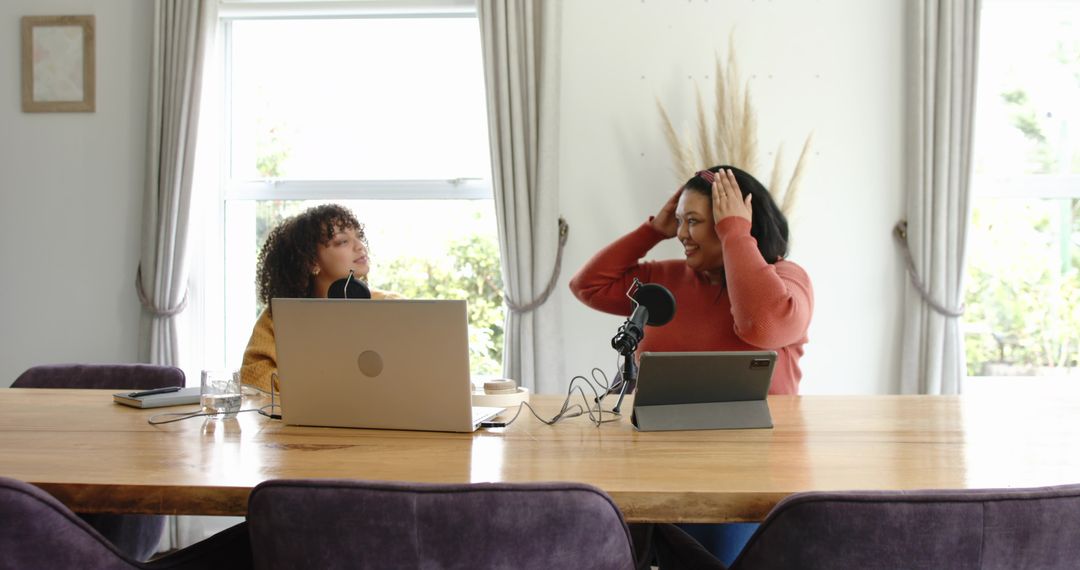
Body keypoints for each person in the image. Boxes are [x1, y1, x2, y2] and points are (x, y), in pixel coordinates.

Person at [568, 165, 813, 568]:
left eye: (694, 222)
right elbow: (588, 286)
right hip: (657, 469)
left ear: (735, 221)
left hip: (750, 477)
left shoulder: (787, 281)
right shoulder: (664, 281)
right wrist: (653, 230)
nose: (681, 233)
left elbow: (761, 324)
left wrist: (737, 233)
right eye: (679, 221)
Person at [240, 204, 399, 393]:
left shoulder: (393, 306)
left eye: (359, 236)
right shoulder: (278, 318)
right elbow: (256, 383)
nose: (360, 246)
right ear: (311, 261)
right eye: (342, 241)